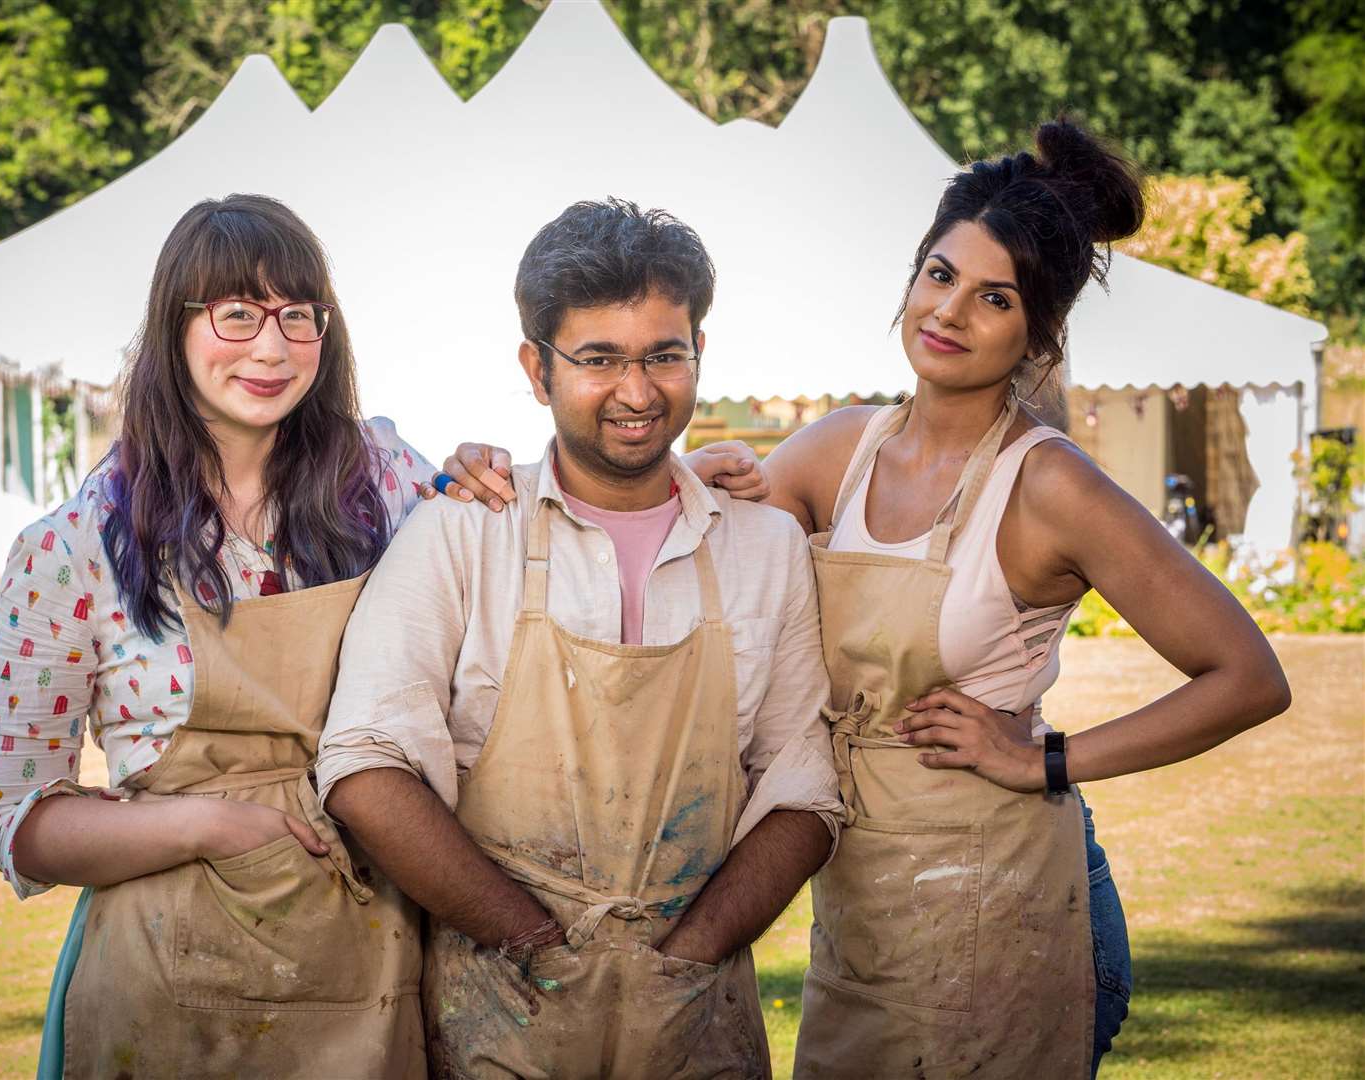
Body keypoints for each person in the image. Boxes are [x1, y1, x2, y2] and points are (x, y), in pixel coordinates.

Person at [686, 119, 1291, 1078]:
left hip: (1002, 896)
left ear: (1035, 331)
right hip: (863, 900)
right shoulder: (839, 450)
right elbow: (697, 560)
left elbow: (1248, 677)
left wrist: (1049, 758)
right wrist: (698, 476)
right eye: (939, 274)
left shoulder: (1050, 486)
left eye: (992, 297)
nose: (949, 313)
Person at [317, 198, 843, 1079]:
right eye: (599, 359)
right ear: (537, 368)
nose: (637, 393)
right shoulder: (462, 530)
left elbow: (804, 790)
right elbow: (364, 770)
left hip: (695, 1021)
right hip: (497, 1013)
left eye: (664, 356)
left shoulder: (765, 548)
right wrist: (534, 945)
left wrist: (682, 958)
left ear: (698, 354)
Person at [0, 194, 463, 1078]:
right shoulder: (68, 549)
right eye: (236, 314)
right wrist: (215, 826)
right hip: (165, 974)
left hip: (373, 954)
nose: (271, 349)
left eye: (297, 316)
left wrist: (671, 473)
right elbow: (17, 822)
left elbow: (514, 553)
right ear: (174, 325)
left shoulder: (385, 482)